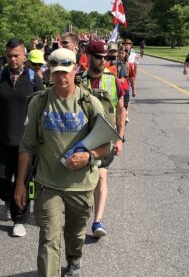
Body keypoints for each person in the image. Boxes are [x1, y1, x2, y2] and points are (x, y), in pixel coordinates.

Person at [14, 48, 110, 277]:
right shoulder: (39, 102)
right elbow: (27, 146)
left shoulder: (90, 103)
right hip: (48, 183)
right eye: (56, 72)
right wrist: (19, 184)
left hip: (81, 184)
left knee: (75, 234)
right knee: (48, 238)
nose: (60, 77)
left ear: (75, 70)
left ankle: (74, 259)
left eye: (65, 71)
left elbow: (106, 145)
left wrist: (88, 156)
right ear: (49, 72)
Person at [0, 38, 45, 237]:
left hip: (26, 143)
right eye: (9, 56)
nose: (13, 59)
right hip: (3, 141)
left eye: (17, 55)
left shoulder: (34, 79)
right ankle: (11, 199)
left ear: (25, 56)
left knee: (25, 181)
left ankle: (19, 219)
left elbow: (42, 108)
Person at [80, 40, 125, 239]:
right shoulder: (78, 79)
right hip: (82, 138)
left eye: (106, 57)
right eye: (99, 57)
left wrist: (120, 138)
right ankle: (79, 212)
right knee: (83, 179)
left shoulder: (112, 79)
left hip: (105, 138)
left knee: (101, 176)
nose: (104, 60)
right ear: (88, 56)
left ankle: (97, 220)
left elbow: (121, 109)